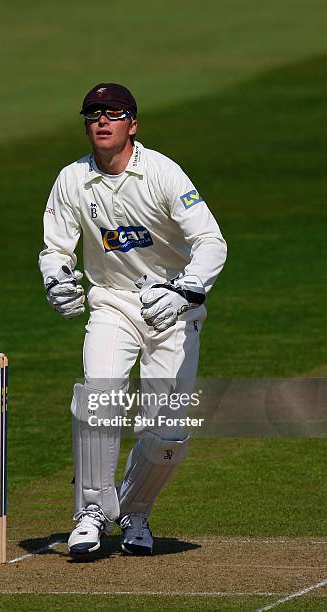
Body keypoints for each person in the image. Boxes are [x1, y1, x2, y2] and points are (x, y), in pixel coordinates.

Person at [38, 83, 226, 556]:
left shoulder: (162, 173)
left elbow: (211, 243)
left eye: (114, 113)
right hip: (113, 305)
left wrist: (184, 291)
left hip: (173, 312)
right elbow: (56, 248)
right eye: (93, 114)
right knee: (99, 395)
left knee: (167, 432)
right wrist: (56, 279)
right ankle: (89, 514)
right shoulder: (72, 179)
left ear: (132, 124)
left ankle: (134, 511)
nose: (102, 121)